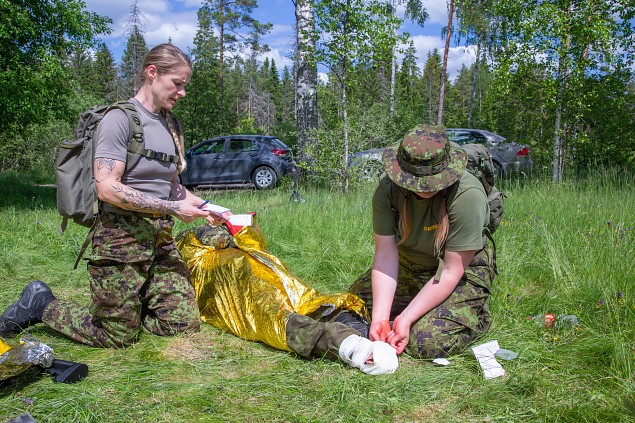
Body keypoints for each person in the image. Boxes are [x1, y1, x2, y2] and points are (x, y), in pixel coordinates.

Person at [0, 43, 228, 348]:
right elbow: (106, 187)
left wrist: (208, 207)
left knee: (181, 325)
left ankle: (133, 303)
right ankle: (42, 305)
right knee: (116, 337)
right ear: (152, 73)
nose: (182, 92)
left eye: (184, 85)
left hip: (159, 238)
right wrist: (172, 208)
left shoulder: (172, 125)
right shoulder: (119, 119)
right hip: (119, 239)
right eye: (177, 83)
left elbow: (172, 186)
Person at [348, 125, 496, 359]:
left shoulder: (467, 195)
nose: (423, 186)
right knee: (353, 307)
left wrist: (405, 318)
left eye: (429, 179)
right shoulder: (388, 190)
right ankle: (417, 307)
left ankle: (475, 315)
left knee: (425, 343)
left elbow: (450, 269)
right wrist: (379, 318)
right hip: (409, 265)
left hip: (461, 272)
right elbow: (386, 255)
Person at [176, 223, 398, 375]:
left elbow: (255, 240)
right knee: (274, 319)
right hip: (238, 285)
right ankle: (349, 346)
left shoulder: (240, 245)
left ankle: (360, 329)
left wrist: (239, 225)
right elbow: (198, 243)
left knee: (312, 301)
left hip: (276, 280)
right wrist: (223, 230)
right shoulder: (192, 252)